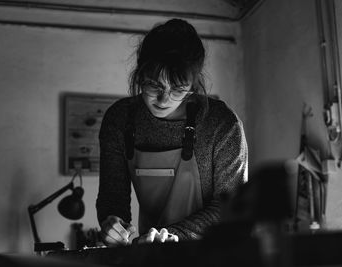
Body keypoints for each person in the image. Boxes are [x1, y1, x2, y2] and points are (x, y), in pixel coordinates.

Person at [96, 18, 248, 246]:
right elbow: (113, 199)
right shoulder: (120, 120)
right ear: (139, 74)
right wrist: (113, 226)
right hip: (151, 252)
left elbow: (231, 208)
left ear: (194, 84)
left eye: (178, 88)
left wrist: (174, 235)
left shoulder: (221, 125)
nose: (164, 99)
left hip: (214, 254)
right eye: (154, 85)